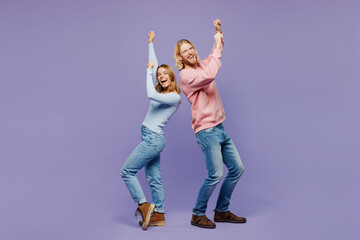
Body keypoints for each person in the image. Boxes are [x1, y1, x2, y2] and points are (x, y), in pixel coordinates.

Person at [173, 19, 246, 229]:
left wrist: (218, 33)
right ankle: (197, 214)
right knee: (215, 174)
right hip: (206, 131)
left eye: (192, 48)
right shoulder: (186, 75)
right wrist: (215, 42)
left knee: (237, 169)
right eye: (185, 50)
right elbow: (211, 73)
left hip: (220, 128)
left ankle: (222, 211)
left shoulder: (203, 64)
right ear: (179, 57)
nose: (190, 52)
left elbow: (216, 54)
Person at [121, 31, 181, 230]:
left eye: (165, 74)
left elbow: (149, 92)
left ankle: (144, 206)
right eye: (159, 75)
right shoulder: (162, 92)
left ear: (171, 77)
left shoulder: (173, 97)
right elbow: (154, 66)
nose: (161, 76)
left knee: (127, 171)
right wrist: (150, 44)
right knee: (154, 178)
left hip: (153, 140)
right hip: (151, 138)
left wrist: (148, 72)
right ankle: (159, 215)